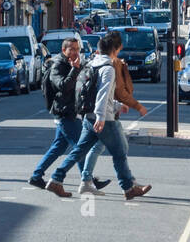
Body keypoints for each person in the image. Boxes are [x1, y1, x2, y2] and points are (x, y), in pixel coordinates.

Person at [46, 32, 151, 200]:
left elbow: (91, 93)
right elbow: (102, 94)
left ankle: (56, 179)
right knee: (119, 153)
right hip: (104, 119)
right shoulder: (108, 68)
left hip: (88, 116)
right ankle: (128, 188)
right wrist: (102, 116)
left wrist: (115, 106)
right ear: (114, 51)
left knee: (78, 151)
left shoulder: (91, 64)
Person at [29, 38, 113, 192]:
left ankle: (36, 176)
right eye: (72, 49)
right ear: (64, 50)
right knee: (80, 147)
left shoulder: (73, 63)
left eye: (77, 49)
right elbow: (62, 86)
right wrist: (74, 69)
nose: (75, 52)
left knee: (58, 147)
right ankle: (88, 180)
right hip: (64, 112)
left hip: (71, 111)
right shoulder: (57, 65)